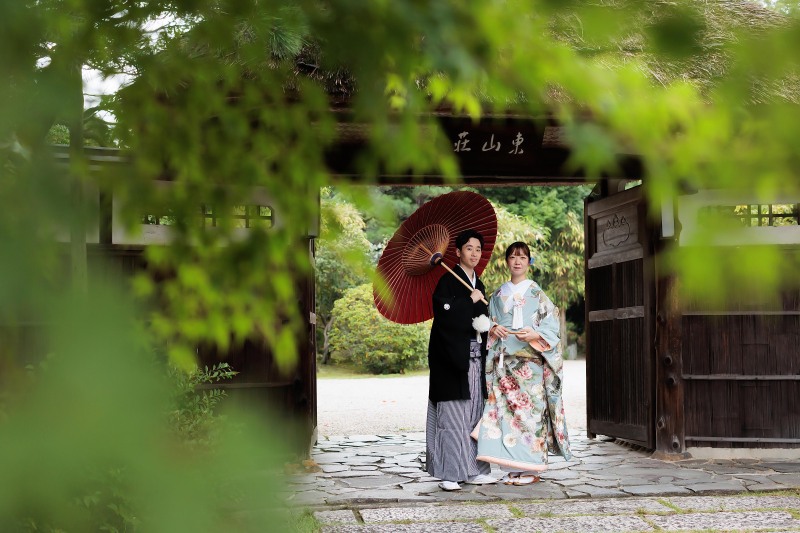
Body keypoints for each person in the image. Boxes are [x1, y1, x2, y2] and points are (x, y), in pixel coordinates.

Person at [475, 241, 572, 485]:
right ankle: (514, 466)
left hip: (531, 366)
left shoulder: (538, 295)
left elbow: (552, 329)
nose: (517, 261)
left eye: (522, 257)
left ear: (529, 262)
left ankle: (532, 468)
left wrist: (535, 335)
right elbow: (489, 323)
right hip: (504, 364)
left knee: (530, 416)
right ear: (506, 262)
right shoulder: (497, 295)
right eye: (512, 257)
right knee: (507, 417)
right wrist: (493, 329)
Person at [426, 229, 497, 491]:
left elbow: (482, 322)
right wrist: (469, 300)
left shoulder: (479, 283)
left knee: (474, 415)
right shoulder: (447, 281)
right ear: (457, 252)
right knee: (452, 418)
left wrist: (489, 322)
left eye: (478, 249)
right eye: (469, 248)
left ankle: (475, 469)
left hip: (475, 361)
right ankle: (449, 473)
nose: (474, 253)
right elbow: (444, 317)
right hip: (452, 361)